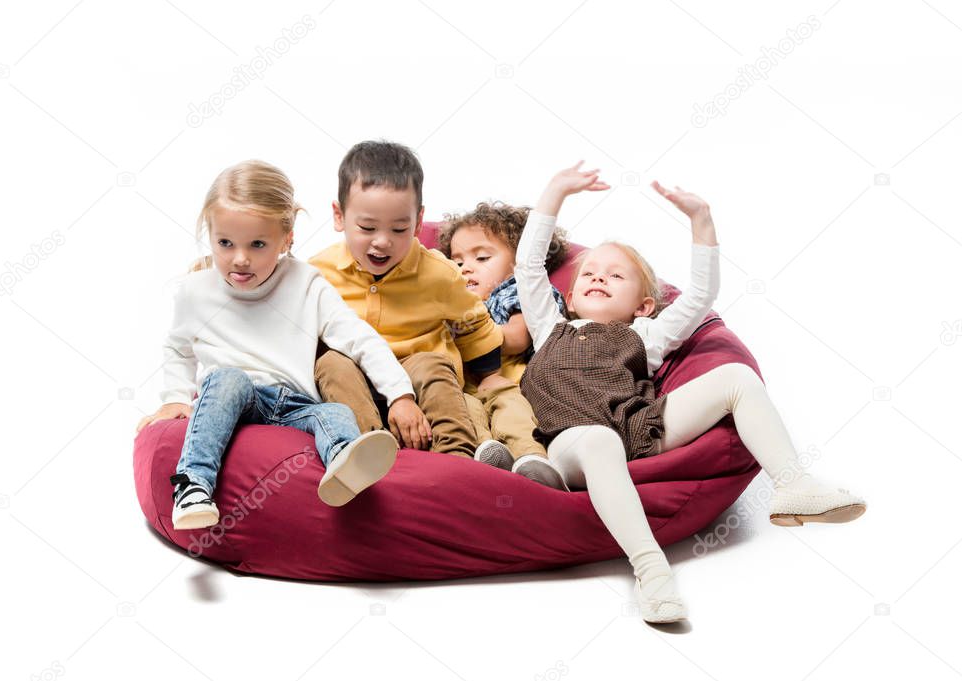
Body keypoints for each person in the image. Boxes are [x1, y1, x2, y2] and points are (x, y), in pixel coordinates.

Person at [515, 162, 867, 623]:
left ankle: (792, 484)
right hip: (573, 443)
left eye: (616, 277)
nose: (599, 277)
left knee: (736, 377)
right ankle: (651, 572)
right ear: (571, 296)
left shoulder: (647, 335)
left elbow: (701, 295)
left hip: (640, 428)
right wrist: (554, 194)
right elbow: (528, 266)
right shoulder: (549, 326)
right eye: (590, 274)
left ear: (643, 306)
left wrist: (701, 220)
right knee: (599, 441)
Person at [136, 160, 426, 529]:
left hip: (292, 404)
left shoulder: (306, 283)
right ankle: (193, 484)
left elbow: (359, 338)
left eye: (258, 244)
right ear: (210, 234)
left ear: (286, 238)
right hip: (230, 399)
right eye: (225, 243)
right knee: (228, 380)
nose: (240, 258)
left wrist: (400, 394)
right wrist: (174, 398)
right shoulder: (196, 291)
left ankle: (345, 465)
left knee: (335, 413)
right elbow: (178, 349)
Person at [311, 141, 507, 461]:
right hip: (356, 382)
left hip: (419, 379)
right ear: (339, 216)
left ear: (418, 222)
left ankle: (455, 458)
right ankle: (366, 451)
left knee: (432, 364)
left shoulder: (440, 274)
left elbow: (474, 324)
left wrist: (488, 374)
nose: (382, 241)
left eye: (400, 228)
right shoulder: (318, 273)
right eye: (367, 227)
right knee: (331, 363)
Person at [438, 202, 570, 488]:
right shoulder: (447, 300)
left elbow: (515, 339)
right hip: (463, 385)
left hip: (507, 381)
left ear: (518, 262)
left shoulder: (518, 290)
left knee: (514, 413)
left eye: (482, 258)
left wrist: (469, 328)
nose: (465, 269)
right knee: (461, 410)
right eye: (457, 262)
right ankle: (485, 454)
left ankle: (533, 460)